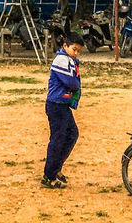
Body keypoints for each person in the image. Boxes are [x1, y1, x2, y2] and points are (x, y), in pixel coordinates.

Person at [42, 34, 84, 188]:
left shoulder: (69, 60)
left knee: (72, 135)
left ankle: (56, 168)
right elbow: (72, 82)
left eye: (78, 51)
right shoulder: (61, 60)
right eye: (74, 49)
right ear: (65, 46)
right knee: (58, 140)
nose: (76, 53)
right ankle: (49, 176)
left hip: (62, 105)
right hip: (56, 105)